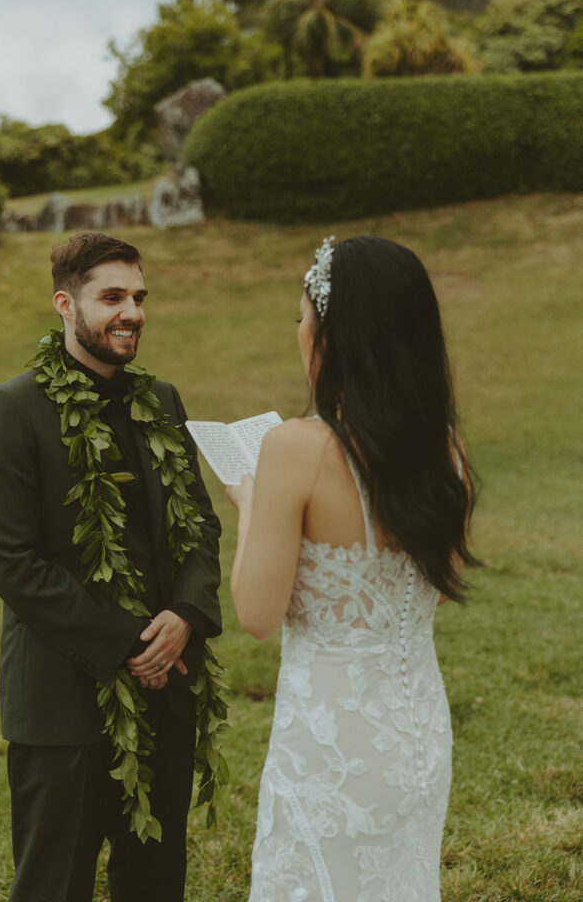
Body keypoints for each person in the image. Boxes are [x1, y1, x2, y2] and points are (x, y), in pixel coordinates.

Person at [0, 232, 222, 902]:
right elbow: (10, 562)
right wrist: (131, 643)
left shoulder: (161, 401)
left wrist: (187, 616)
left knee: (155, 883)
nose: (131, 311)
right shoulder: (8, 410)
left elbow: (199, 524)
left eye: (138, 297)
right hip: (59, 699)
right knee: (55, 884)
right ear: (64, 303)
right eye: (111, 296)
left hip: (165, 687)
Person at [226, 235, 478, 901]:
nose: (298, 332)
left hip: (330, 743)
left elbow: (255, 615)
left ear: (333, 335)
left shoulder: (292, 448)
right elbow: (435, 587)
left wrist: (250, 503)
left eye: (301, 318)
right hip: (417, 730)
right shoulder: (444, 451)